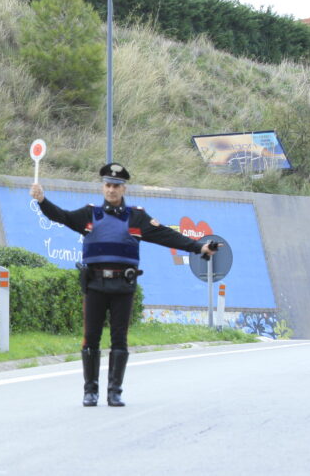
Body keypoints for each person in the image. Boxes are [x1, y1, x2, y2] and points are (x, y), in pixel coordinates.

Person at [29, 163, 218, 407]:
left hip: (123, 287)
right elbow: (61, 216)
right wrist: (42, 200)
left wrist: (199, 246)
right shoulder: (89, 214)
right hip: (95, 285)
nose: (111, 190)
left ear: (123, 188)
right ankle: (91, 391)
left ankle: (114, 391)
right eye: (108, 185)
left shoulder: (137, 217)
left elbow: (167, 236)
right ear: (102, 187)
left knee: (119, 338)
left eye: (116, 186)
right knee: (91, 338)